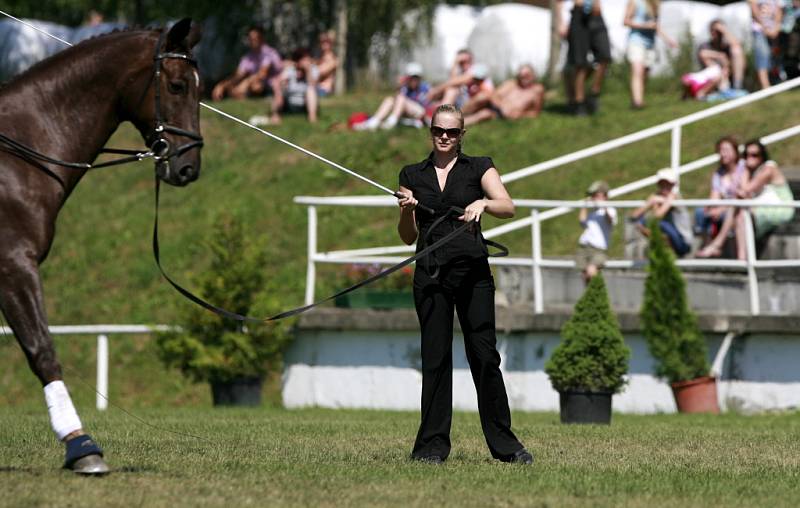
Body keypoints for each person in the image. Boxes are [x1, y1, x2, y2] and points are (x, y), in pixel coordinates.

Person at [395, 104, 532, 466]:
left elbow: (508, 205)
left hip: (473, 274)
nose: (444, 136)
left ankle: (506, 446)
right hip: (431, 276)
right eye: (439, 130)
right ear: (431, 131)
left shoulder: (479, 167)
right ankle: (431, 447)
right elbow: (407, 237)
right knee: (435, 358)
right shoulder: (412, 174)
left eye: (452, 132)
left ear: (461, 136)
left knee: (484, 357)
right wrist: (408, 209)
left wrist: (484, 203)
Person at [696, 136, 749, 258]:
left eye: (726, 150)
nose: (723, 153)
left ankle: (717, 244)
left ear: (735, 152)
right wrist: (711, 208)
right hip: (723, 208)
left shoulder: (743, 168)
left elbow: (741, 195)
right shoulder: (718, 174)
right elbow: (714, 197)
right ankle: (707, 243)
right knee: (700, 212)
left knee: (734, 209)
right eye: (720, 150)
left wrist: (721, 208)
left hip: (738, 208)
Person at [623, 0, 678, 109]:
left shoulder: (656, 5)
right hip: (636, 41)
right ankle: (638, 102)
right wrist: (644, 25)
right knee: (638, 71)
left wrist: (668, 40)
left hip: (650, 43)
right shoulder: (635, 2)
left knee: (645, 73)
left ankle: (639, 98)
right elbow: (625, 21)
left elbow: (656, 26)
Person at [561, 0, 612, 115]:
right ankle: (579, 102)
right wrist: (562, 21)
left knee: (605, 55)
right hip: (577, 15)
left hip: (596, 15)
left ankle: (594, 92)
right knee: (580, 63)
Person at [629, 169, 693, 257]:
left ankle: (664, 248)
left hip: (683, 243)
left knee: (659, 224)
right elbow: (634, 216)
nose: (664, 187)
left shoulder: (674, 196)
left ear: (673, 184)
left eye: (667, 184)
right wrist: (651, 203)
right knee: (642, 221)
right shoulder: (657, 197)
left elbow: (657, 216)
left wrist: (652, 202)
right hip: (671, 236)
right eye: (662, 184)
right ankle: (662, 246)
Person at [211, 26, 283, 102]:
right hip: (253, 85)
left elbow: (262, 74)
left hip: (275, 86)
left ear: (262, 38)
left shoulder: (269, 53)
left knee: (256, 86)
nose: (253, 41)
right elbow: (238, 76)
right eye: (250, 39)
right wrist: (222, 85)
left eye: (255, 38)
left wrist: (245, 84)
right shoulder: (247, 57)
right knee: (233, 87)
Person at [354, 62, 431, 131]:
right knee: (389, 100)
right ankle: (374, 121)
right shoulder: (405, 88)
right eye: (411, 78)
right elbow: (397, 102)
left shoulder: (425, 88)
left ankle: (390, 123)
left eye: (416, 78)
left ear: (420, 78)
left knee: (401, 98)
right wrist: (399, 87)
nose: (414, 80)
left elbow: (429, 105)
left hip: (421, 113)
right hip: (406, 113)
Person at [461, 64, 545, 126]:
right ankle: (456, 114)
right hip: (498, 106)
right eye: (521, 76)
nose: (523, 78)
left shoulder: (537, 90)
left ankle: (457, 124)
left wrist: (520, 114)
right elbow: (493, 94)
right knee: (482, 96)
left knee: (485, 114)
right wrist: (502, 106)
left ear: (533, 76)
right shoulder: (512, 83)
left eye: (527, 75)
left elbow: (535, 113)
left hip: (505, 114)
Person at [252, 48, 318, 125]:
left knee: (310, 90)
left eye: (308, 59)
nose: (307, 62)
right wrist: (281, 85)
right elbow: (277, 81)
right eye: (304, 60)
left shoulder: (313, 69)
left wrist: (308, 71)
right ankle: (275, 115)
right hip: (290, 104)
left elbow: (313, 84)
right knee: (278, 88)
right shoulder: (291, 70)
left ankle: (312, 117)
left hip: (305, 104)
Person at [576, 180, 617, 283]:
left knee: (591, 271)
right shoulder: (591, 213)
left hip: (598, 250)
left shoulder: (611, 210)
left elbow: (610, 220)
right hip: (584, 247)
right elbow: (581, 221)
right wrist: (585, 205)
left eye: (596, 195)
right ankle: (592, 296)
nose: (593, 198)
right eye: (592, 196)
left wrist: (604, 205)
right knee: (585, 276)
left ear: (605, 196)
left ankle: (597, 295)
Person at [427, 51, 494, 109]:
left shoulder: (478, 68)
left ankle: (442, 115)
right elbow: (453, 81)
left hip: (483, 100)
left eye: (467, 60)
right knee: (452, 90)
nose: (465, 64)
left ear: (471, 59)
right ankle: (441, 114)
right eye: (461, 62)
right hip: (468, 102)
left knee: (452, 89)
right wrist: (455, 62)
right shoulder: (461, 72)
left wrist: (436, 89)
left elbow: (459, 80)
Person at [697, 20, 746, 93]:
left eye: (717, 31)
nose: (715, 33)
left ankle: (737, 86)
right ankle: (719, 89)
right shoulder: (706, 45)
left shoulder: (726, 45)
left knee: (736, 50)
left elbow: (737, 45)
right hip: (714, 76)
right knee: (708, 58)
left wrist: (724, 30)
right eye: (713, 30)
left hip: (728, 73)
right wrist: (720, 56)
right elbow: (702, 53)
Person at [750, 0, 784, 89]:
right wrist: (765, 28)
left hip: (774, 30)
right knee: (762, 55)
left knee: (774, 56)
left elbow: (779, 11)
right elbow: (754, 11)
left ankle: (774, 80)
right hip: (758, 29)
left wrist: (776, 27)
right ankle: (765, 86)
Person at [314, 30, 338, 96]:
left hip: (324, 90)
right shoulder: (319, 58)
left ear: (331, 44)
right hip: (316, 88)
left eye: (326, 42)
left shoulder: (333, 60)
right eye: (322, 42)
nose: (323, 44)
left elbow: (319, 72)